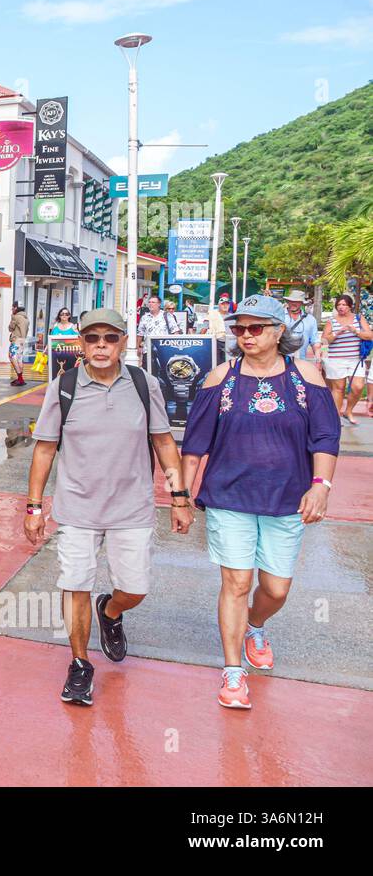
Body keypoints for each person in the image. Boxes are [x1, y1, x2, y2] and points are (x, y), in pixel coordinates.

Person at [25, 308, 192, 707]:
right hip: (78, 507)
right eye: (93, 338)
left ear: (123, 343)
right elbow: (45, 449)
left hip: (131, 507)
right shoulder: (63, 387)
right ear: (81, 343)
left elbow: (164, 443)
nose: (101, 346)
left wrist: (179, 496)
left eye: (110, 338)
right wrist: (34, 506)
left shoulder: (142, 384)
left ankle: (112, 611)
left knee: (135, 589)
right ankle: (80, 664)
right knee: (75, 583)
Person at [179, 294, 339, 710]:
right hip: (229, 496)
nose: (245, 336)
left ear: (279, 331)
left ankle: (256, 624)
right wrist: (181, 497)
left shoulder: (307, 377)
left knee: (276, 588)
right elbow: (195, 445)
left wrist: (320, 484)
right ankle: (233, 672)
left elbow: (325, 436)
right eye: (239, 329)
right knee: (236, 583)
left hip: (288, 498)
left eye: (255, 328)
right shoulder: (221, 378)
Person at [321, 293, 371, 426]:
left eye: (344, 304)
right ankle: (336, 416)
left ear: (350, 306)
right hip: (335, 360)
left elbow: (370, 335)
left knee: (358, 386)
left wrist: (356, 332)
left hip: (356, 360)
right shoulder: (331, 321)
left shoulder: (359, 318)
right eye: (338, 305)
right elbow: (324, 341)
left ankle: (348, 411)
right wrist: (337, 333)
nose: (341, 307)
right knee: (339, 388)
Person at [281, 290, 319, 362]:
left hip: (301, 361)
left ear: (302, 303)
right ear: (288, 301)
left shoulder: (310, 319)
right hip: (280, 360)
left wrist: (318, 358)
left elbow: (315, 341)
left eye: (297, 301)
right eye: (291, 301)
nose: (293, 303)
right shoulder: (279, 316)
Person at [137, 294, 177, 361]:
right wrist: (137, 347)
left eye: (153, 302)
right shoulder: (144, 317)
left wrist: (173, 348)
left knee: (163, 370)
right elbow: (140, 334)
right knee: (147, 370)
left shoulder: (167, 315)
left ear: (159, 304)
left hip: (164, 350)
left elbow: (175, 332)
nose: (150, 304)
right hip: (148, 350)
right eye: (149, 302)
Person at [8, 303, 29, 387]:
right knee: (19, 358)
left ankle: (20, 379)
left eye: (12, 307)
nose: (12, 309)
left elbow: (10, 328)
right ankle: (20, 378)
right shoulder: (26, 318)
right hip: (22, 340)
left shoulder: (15, 317)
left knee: (12, 357)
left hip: (16, 340)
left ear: (16, 308)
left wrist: (12, 317)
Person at [208, 294, 233, 361]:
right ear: (219, 305)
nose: (225, 305)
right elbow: (205, 326)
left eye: (227, 304)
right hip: (217, 342)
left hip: (230, 343)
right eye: (223, 304)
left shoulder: (233, 316)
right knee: (217, 362)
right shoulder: (212, 314)